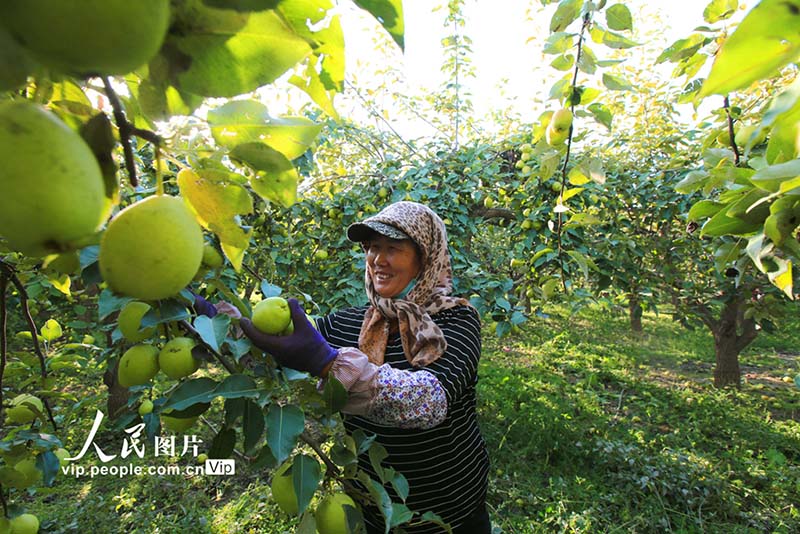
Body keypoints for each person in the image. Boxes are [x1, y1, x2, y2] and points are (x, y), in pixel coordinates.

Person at [240, 201, 491, 533]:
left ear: (425, 257)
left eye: (392, 248)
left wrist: (331, 364)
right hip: (371, 507)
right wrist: (219, 324)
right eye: (372, 247)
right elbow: (272, 346)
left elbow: (429, 400)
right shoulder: (349, 324)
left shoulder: (455, 321)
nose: (377, 259)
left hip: (451, 512)